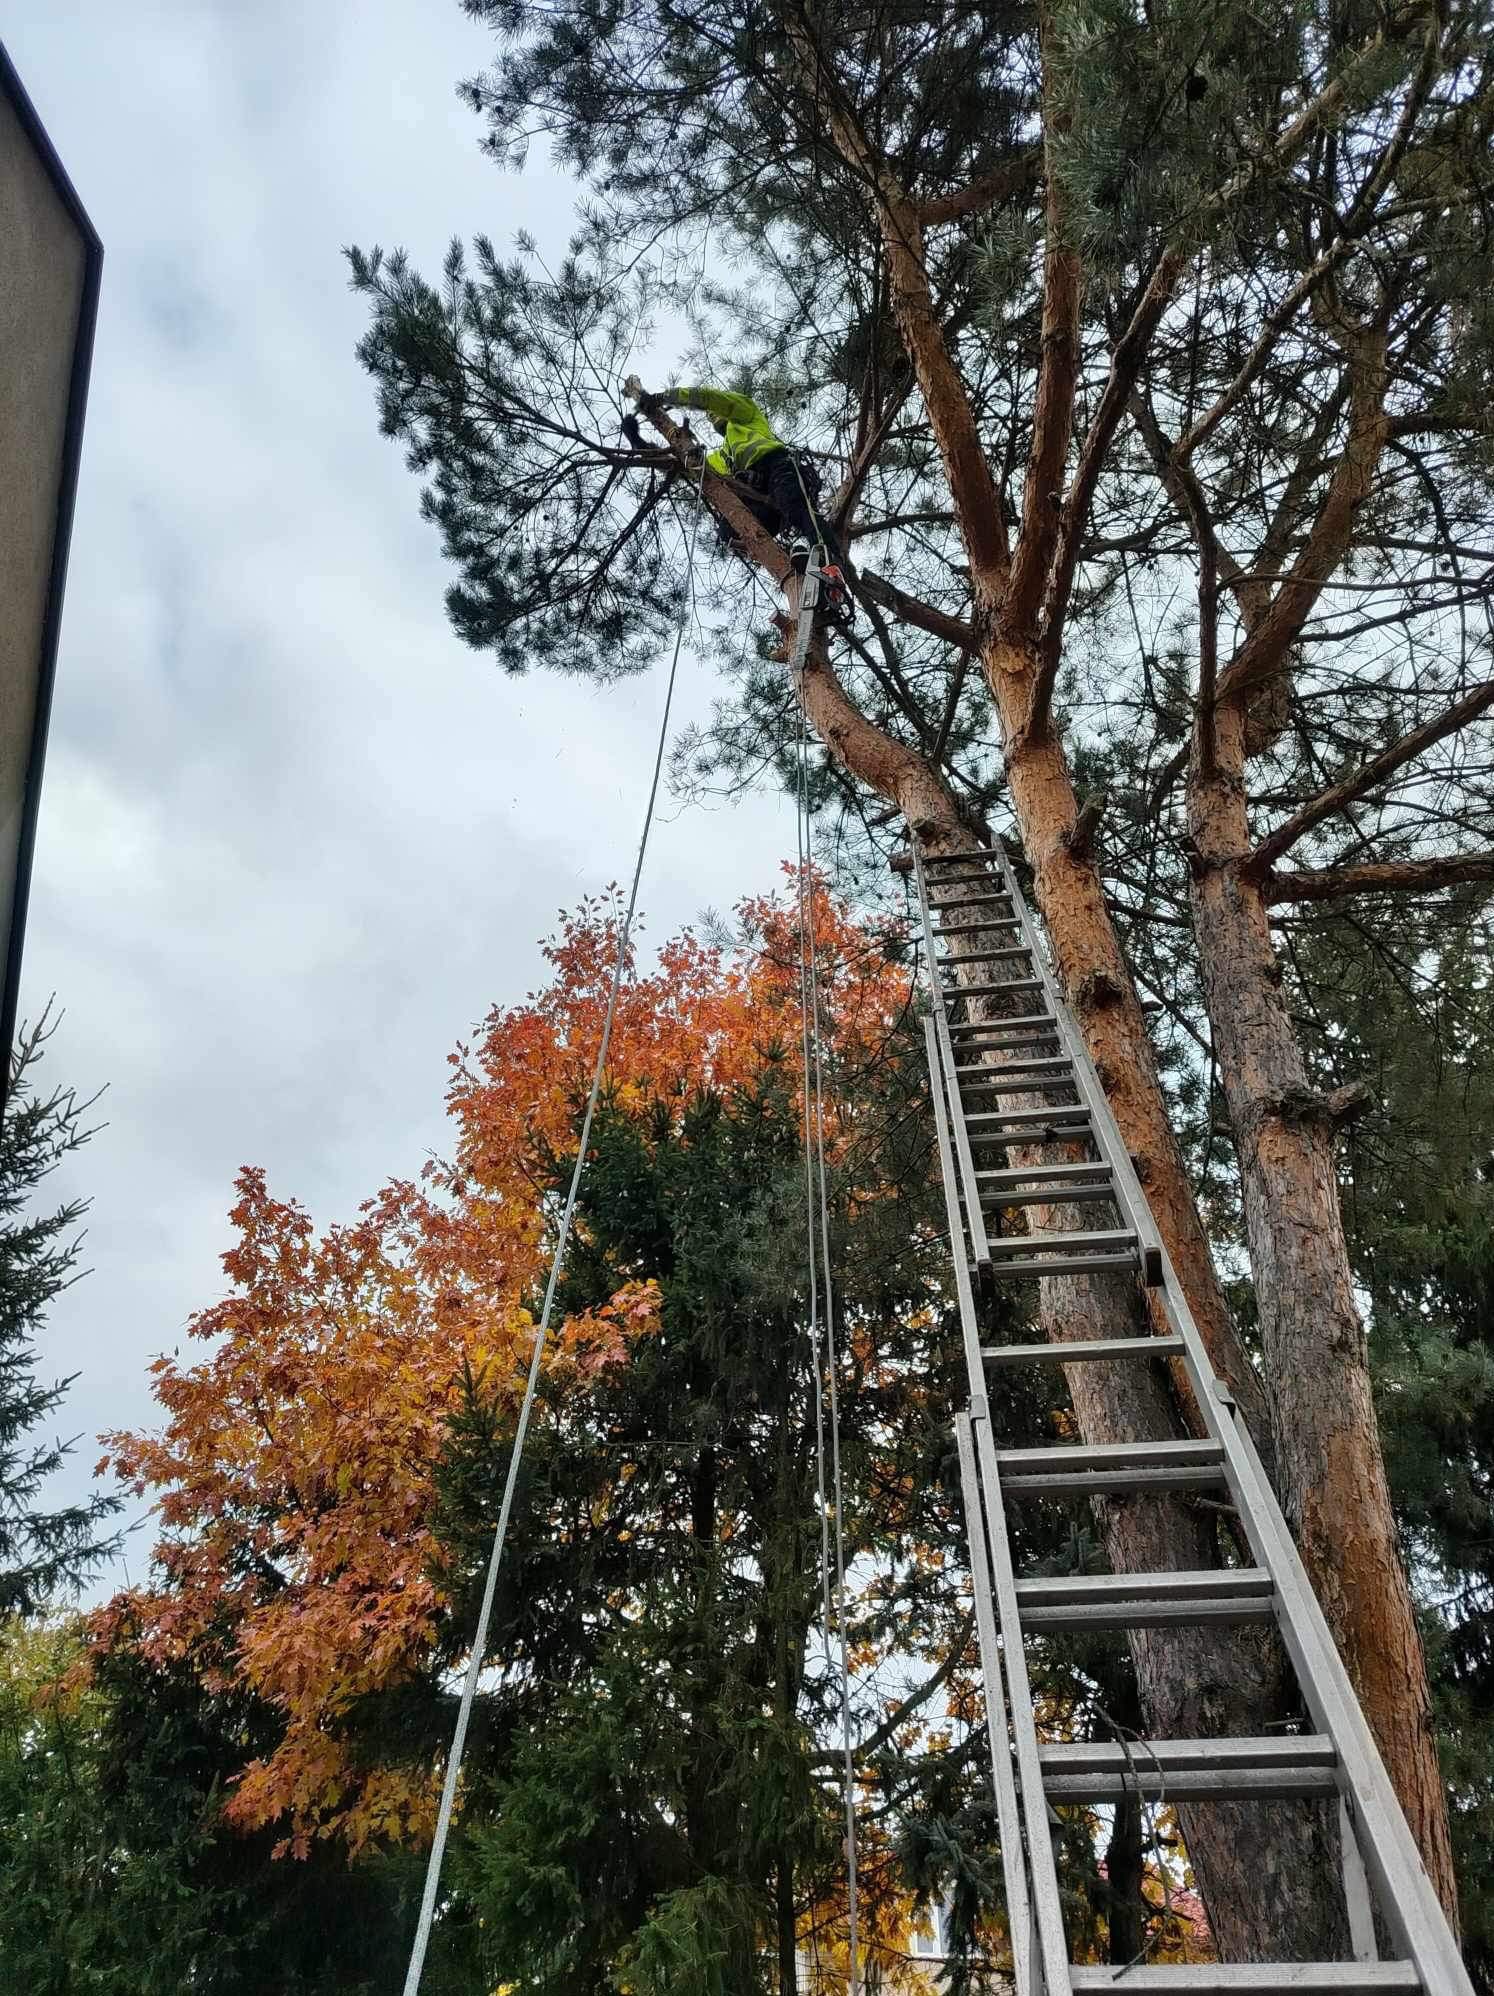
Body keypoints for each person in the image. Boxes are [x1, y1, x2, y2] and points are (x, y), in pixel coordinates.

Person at [649, 383, 852, 615]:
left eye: (713, 411)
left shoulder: (745, 413)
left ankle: (830, 565)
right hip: (761, 500)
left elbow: (710, 397)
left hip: (775, 465)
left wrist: (667, 397)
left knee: (796, 508)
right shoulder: (723, 456)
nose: (711, 415)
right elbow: (683, 469)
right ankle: (802, 569)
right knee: (729, 530)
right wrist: (638, 440)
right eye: (709, 415)